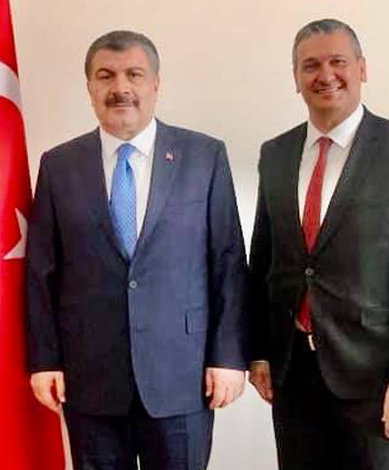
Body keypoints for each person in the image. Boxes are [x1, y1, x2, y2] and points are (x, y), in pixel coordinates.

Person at [27, 30, 249, 470]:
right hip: (90, 380)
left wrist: (228, 357)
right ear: (89, 86)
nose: (121, 87)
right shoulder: (59, 165)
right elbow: (41, 271)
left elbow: (227, 261)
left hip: (183, 377)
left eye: (134, 74)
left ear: (156, 84)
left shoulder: (204, 156)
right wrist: (44, 360)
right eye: (105, 76)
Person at [248, 18, 389, 470]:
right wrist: (259, 350)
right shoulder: (275, 154)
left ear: (362, 69)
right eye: (310, 65)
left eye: (338, 62)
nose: (325, 74)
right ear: (296, 78)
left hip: (376, 380)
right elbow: (264, 260)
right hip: (293, 375)